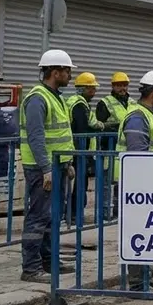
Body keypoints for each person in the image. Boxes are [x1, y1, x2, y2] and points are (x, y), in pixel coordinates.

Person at [18, 50, 77, 283]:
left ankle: (49, 261)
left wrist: (67, 163)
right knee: (38, 218)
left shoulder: (55, 96)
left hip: (57, 166)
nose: (70, 76)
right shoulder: (37, 98)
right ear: (55, 72)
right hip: (42, 169)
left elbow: (60, 133)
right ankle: (30, 268)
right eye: (67, 71)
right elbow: (36, 137)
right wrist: (46, 169)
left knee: (53, 217)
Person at [117, 71, 153, 295]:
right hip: (139, 187)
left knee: (149, 234)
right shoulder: (138, 118)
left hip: (151, 186)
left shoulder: (150, 114)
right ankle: (139, 285)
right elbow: (137, 156)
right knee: (139, 234)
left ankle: (145, 280)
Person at [65, 72, 104, 218]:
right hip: (79, 149)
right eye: (90, 89)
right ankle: (75, 213)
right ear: (82, 89)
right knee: (80, 182)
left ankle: (73, 212)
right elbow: (81, 128)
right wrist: (96, 128)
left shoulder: (76, 101)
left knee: (79, 182)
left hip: (76, 148)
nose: (93, 92)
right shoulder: (79, 105)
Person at [96, 72, 136, 137]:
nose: (123, 88)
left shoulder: (132, 102)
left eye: (125, 85)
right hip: (112, 142)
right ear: (113, 86)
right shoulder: (104, 103)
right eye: (119, 86)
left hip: (131, 140)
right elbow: (101, 126)